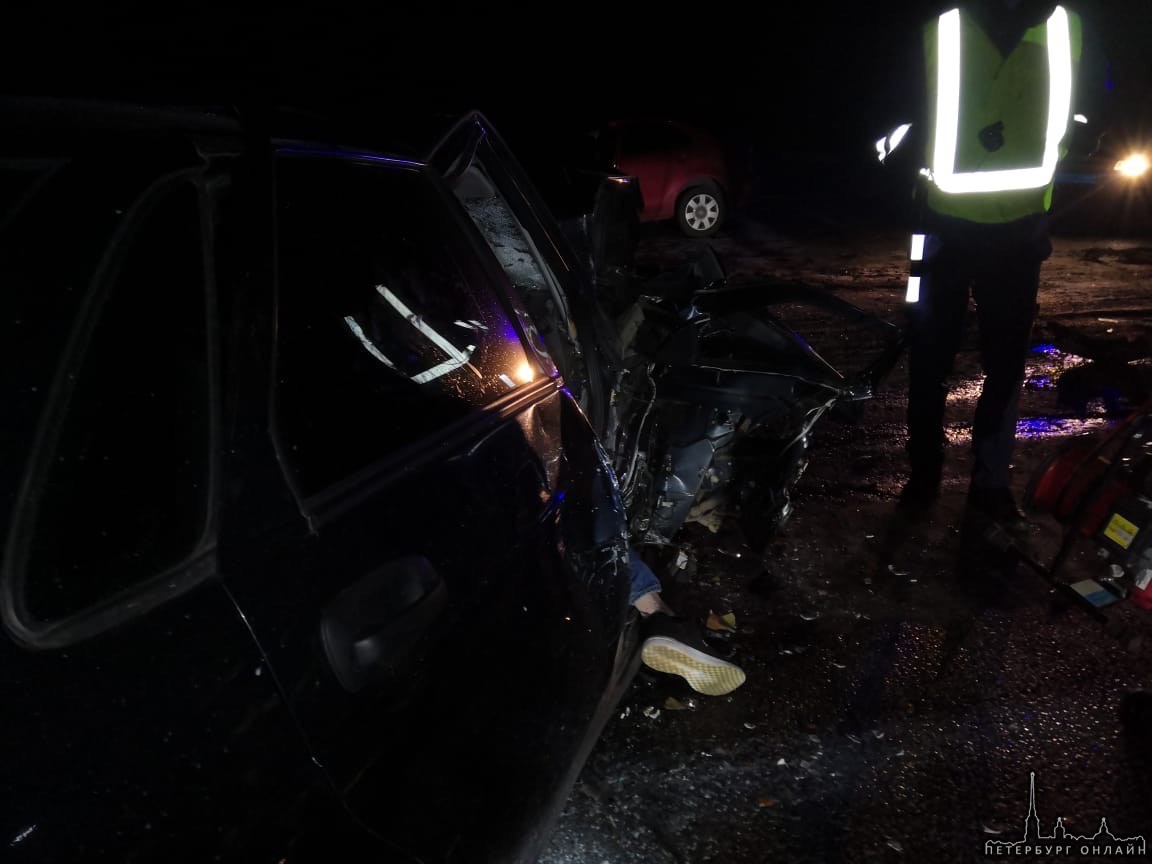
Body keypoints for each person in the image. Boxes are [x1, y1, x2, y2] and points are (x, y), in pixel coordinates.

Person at [881, 0, 1085, 525]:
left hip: (1014, 229)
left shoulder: (1066, 28)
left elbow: (1080, 113)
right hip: (944, 226)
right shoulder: (940, 25)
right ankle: (928, 473)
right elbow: (892, 117)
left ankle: (985, 483)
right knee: (930, 353)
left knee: (1002, 362)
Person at [629, 548, 746, 696]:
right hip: (678, 597)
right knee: (614, 547)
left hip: (679, 594)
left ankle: (665, 622)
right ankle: (664, 622)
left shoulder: (715, 605)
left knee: (615, 546)